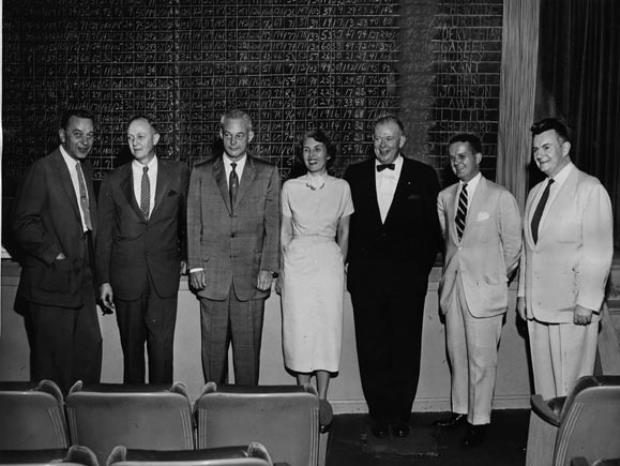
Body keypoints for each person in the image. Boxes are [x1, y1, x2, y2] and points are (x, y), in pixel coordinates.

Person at [344, 115, 441, 438]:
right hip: (366, 283)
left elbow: (433, 234)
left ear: (402, 141)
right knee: (371, 348)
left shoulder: (424, 176)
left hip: (407, 284)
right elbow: (346, 230)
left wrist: (417, 273)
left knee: (404, 348)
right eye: (376, 139)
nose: (381, 145)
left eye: (388, 139)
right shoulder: (353, 175)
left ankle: (400, 416)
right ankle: (378, 416)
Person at [435, 134, 522, 448]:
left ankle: (480, 419)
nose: (457, 163)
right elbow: (450, 243)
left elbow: (514, 248)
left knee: (482, 360)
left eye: (462, 156)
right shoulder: (445, 197)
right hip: (454, 288)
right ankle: (460, 411)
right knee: (457, 355)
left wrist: (496, 278)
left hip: (484, 291)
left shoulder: (500, 197)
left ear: (478, 157)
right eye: (453, 158)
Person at [517, 118, 613, 399]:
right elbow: (529, 249)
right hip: (538, 309)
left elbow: (598, 251)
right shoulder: (536, 193)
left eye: (546, 147)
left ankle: (573, 443)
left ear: (566, 147)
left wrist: (587, 302)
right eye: (535, 149)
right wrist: (523, 295)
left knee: (571, 390)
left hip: (573, 309)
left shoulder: (589, 188)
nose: (539, 155)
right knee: (546, 392)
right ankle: (549, 444)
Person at [187, 109, 280, 386]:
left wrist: (268, 267)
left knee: (248, 360)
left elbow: (273, 224)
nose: (233, 141)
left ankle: (247, 421)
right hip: (211, 278)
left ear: (250, 136)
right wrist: (195, 264)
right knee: (213, 362)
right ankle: (214, 420)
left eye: (240, 135)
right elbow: (193, 221)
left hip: (251, 279)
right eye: (228, 135)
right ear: (220, 134)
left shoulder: (267, 173)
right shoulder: (201, 172)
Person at [12, 108, 102, 393]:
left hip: (81, 284)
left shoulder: (84, 169)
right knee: (53, 374)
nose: (85, 142)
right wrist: (56, 255)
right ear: (62, 135)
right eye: (77, 135)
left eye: (89, 136)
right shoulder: (43, 168)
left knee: (87, 361)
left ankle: (81, 433)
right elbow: (22, 223)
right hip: (50, 285)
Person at [96, 116, 189, 384]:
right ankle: (133, 415)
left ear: (156, 139)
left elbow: (188, 219)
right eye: (129, 137)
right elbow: (103, 236)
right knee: (132, 355)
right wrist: (103, 279)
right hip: (126, 278)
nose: (134, 142)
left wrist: (186, 256)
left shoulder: (178, 173)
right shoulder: (114, 180)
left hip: (163, 278)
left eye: (140, 136)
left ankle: (162, 414)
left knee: (162, 353)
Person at [279, 130, 354, 423]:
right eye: (307, 150)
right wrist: (284, 268)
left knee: (326, 328)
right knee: (299, 328)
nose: (312, 155)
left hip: (328, 261)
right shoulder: (290, 187)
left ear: (328, 154)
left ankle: (323, 400)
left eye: (318, 149)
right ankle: (305, 395)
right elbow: (285, 231)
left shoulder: (342, 188)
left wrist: (339, 260)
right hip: (297, 261)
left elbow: (345, 231)